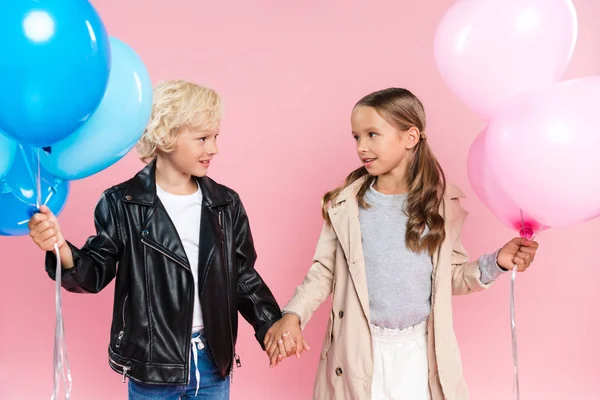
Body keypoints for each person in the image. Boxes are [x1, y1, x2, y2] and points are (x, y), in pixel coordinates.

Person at [264, 88, 539, 400]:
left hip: (421, 353)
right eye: (356, 137)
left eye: (372, 135)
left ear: (410, 137)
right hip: (359, 351)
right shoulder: (345, 205)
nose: (361, 147)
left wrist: (497, 262)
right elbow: (324, 272)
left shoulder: (442, 206)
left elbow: (451, 277)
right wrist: (293, 314)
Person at [28, 79, 282, 400]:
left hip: (212, 361)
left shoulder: (225, 203)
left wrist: (271, 323)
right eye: (202, 138)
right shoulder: (122, 203)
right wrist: (59, 247)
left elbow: (242, 275)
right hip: (152, 363)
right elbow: (93, 273)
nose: (214, 148)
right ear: (165, 137)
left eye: (215, 137)